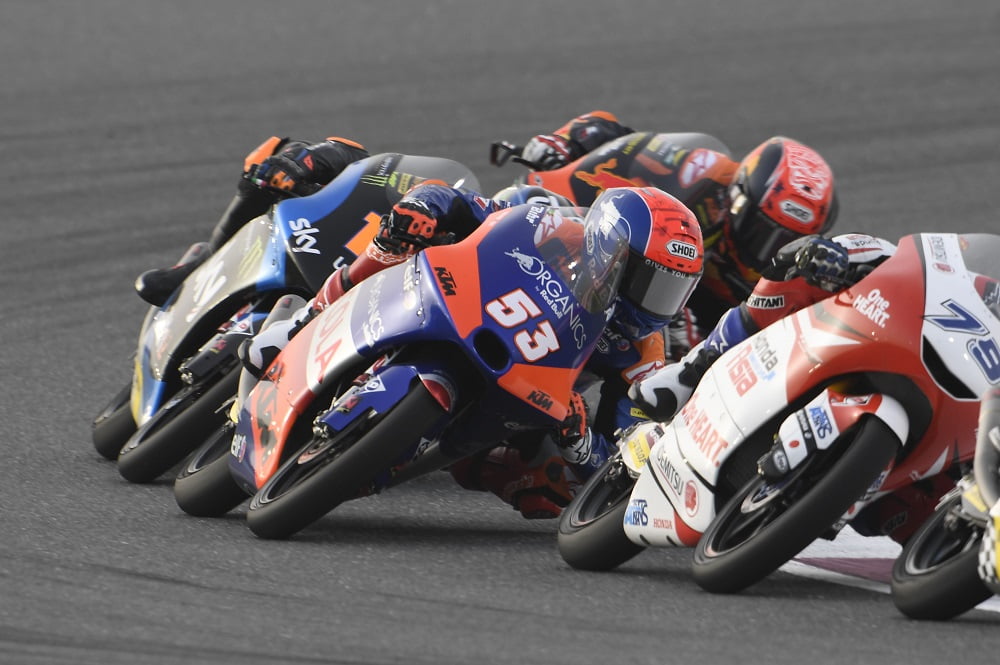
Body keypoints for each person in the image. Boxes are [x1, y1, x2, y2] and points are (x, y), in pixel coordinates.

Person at [239, 183, 706, 518]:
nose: (656, 302)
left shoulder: (642, 353)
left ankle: (433, 460)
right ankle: (302, 323)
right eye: (648, 280)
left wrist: (580, 440)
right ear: (609, 248)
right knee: (398, 239)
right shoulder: (553, 228)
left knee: (552, 489)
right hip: (467, 308)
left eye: (672, 290)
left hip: (528, 395)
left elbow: (624, 455)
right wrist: (423, 208)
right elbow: (458, 201)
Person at [627, 230, 971, 544]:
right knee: (797, 274)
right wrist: (826, 256)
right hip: (829, 344)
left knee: (928, 513)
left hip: (921, 418)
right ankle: (691, 372)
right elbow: (828, 252)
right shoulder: (920, 266)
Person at [507, 111, 841, 359]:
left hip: (685, 309)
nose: (768, 252)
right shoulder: (699, 178)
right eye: (763, 232)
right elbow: (620, 138)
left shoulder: (784, 273)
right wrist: (570, 141)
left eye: (787, 242)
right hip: (628, 262)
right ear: (739, 199)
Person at [135, 135, 369, 306]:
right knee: (271, 174)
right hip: (319, 242)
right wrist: (297, 163)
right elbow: (350, 155)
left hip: (358, 296)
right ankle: (209, 262)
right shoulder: (393, 178)